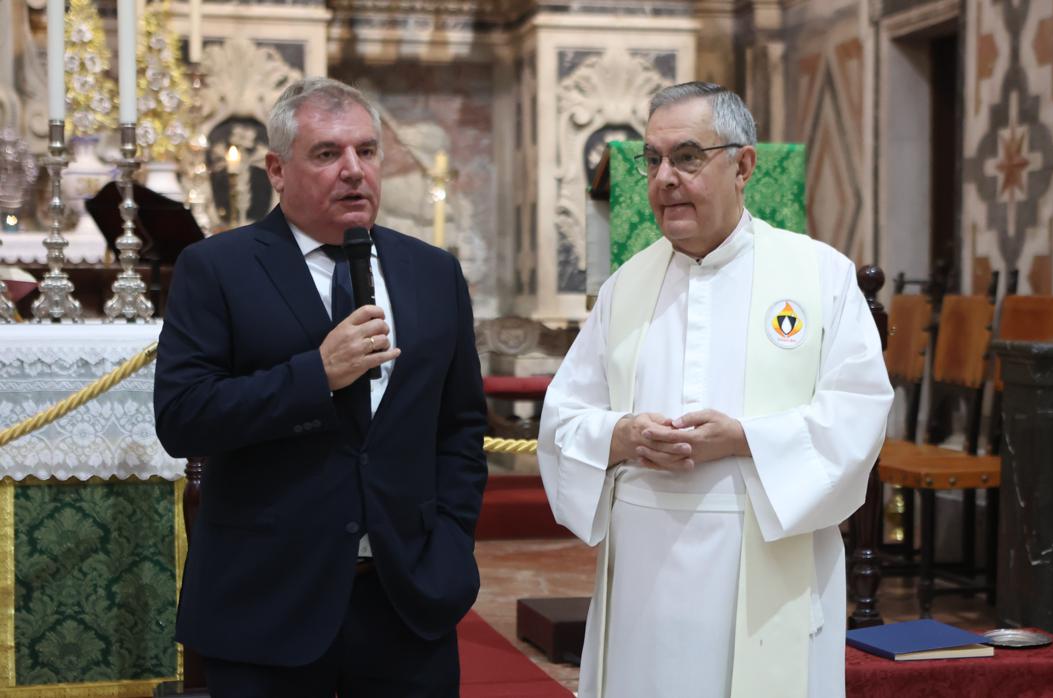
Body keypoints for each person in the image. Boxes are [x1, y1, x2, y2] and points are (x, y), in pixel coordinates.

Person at [537, 82, 893, 698]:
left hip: (763, 565)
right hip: (644, 581)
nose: (665, 177)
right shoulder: (626, 287)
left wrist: (745, 439)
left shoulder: (818, 275)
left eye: (688, 156)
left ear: (744, 165)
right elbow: (564, 419)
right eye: (653, 160)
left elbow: (858, 414)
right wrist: (619, 435)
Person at [154, 77, 486, 697]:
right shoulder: (216, 268)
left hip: (406, 601)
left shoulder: (433, 272)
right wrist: (316, 375)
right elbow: (182, 418)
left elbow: (460, 427)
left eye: (367, 151)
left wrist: (448, 542)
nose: (354, 171)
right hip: (266, 602)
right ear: (277, 170)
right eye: (328, 154)